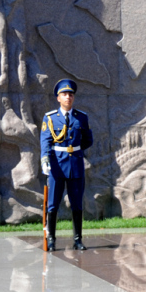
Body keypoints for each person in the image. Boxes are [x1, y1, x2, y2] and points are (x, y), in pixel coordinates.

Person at [40, 79, 93, 251]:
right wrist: (45, 160)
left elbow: (87, 140)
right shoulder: (50, 118)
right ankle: (52, 238)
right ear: (58, 98)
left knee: (77, 204)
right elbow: (46, 141)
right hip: (56, 165)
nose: (68, 97)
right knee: (53, 204)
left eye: (70, 94)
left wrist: (75, 151)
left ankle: (77, 240)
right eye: (64, 94)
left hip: (76, 165)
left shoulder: (81, 118)